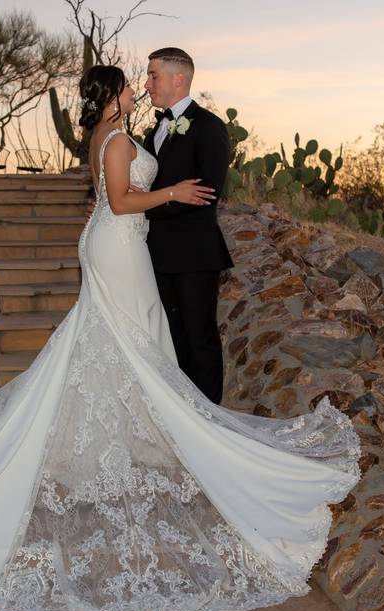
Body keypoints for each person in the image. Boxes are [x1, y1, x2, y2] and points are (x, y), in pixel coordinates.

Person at [0, 64, 361, 611]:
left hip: (118, 242)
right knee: (128, 336)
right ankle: (145, 436)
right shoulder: (113, 139)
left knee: (130, 337)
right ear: (112, 95)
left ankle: (140, 434)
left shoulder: (110, 137)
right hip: (120, 243)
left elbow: (110, 199)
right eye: (130, 85)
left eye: (144, 80)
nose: (138, 88)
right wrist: (172, 191)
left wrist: (139, 199)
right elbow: (118, 200)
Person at [143, 47, 234, 405]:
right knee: (173, 341)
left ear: (178, 78)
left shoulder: (210, 128)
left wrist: (146, 207)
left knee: (200, 340)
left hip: (195, 254)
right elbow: (158, 188)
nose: (148, 83)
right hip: (157, 254)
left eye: (154, 75)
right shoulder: (155, 130)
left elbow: (205, 194)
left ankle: (211, 420)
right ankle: (183, 417)